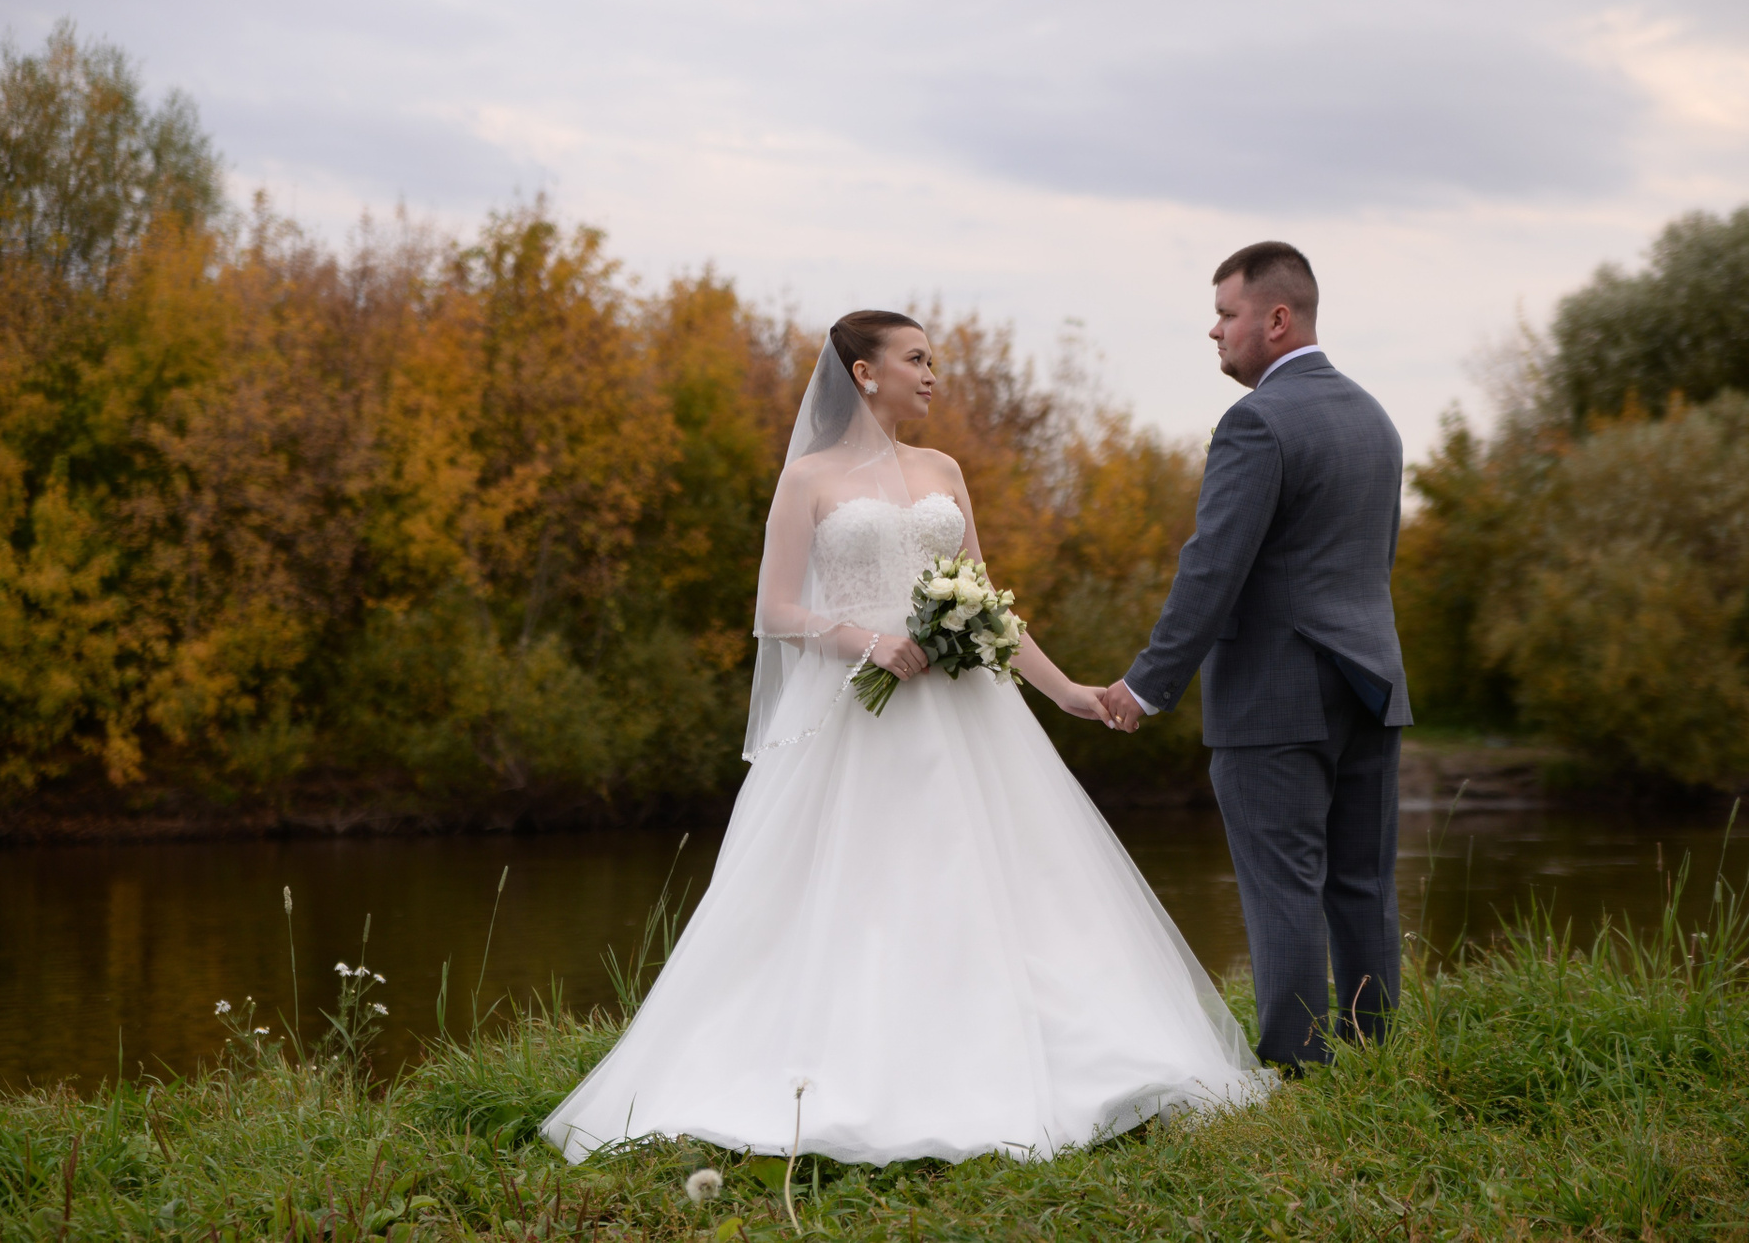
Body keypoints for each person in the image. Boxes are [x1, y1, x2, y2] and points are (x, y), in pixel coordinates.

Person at [543, 310, 1268, 1166]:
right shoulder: (808, 479)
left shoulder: (943, 470)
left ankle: (1028, 1048)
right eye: (916, 359)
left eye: (933, 361)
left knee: (1002, 879)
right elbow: (775, 609)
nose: (932, 375)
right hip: (861, 710)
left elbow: (986, 600)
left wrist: (1067, 690)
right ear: (864, 373)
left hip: (966, 709)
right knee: (857, 887)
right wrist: (868, 641)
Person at [1101, 243, 1412, 1073]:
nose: (1214, 330)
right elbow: (1373, 560)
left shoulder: (1257, 421)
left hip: (1277, 693)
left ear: (1277, 319)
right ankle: (1374, 1056)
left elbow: (1213, 567)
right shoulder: (1373, 417)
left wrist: (1147, 683)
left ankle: (1297, 1069)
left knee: (1284, 885)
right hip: (1371, 680)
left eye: (1225, 314)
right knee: (1363, 882)